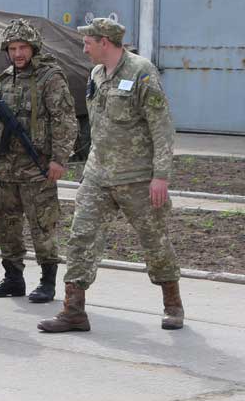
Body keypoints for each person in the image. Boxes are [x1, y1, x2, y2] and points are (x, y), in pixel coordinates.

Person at [39, 18, 183, 333]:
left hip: (137, 177)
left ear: (105, 41)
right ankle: (73, 310)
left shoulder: (141, 72)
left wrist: (161, 175)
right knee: (81, 237)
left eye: (87, 42)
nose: (84, 47)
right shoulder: (96, 73)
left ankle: (173, 304)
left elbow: (161, 126)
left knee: (154, 240)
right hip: (98, 175)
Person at [0, 19, 78, 303]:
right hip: (6, 167)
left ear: (33, 48)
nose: (18, 53)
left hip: (38, 167)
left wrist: (59, 159)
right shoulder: (5, 79)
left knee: (42, 226)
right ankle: (13, 278)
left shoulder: (50, 78)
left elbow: (65, 122)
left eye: (22, 47)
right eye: (12, 48)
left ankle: (47, 281)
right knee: (6, 224)